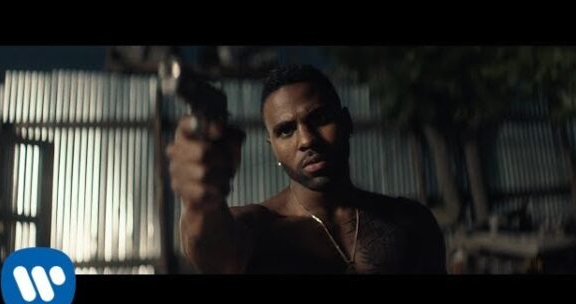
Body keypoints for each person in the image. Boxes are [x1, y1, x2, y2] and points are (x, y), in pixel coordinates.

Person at [166, 65, 447, 274]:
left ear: (346, 122)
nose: (307, 139)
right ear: (273, 148)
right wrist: (199, 201)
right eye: (286, 130)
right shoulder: (257, 228)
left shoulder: (410, 221)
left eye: (320, 118)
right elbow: (212, 250)